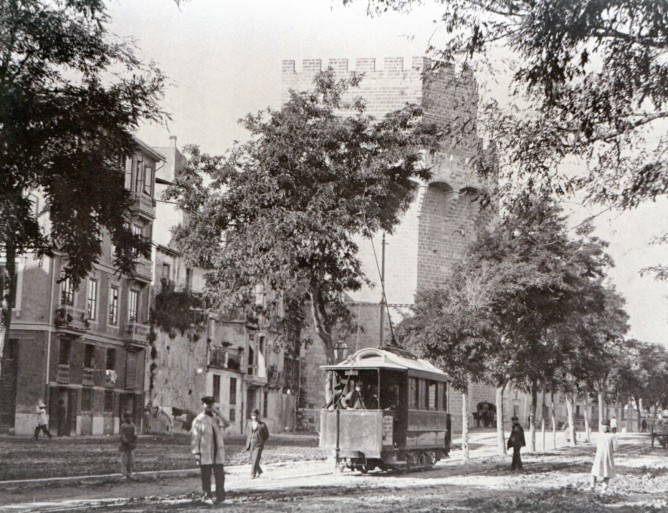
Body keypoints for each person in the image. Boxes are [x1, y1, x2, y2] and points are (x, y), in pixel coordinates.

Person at [191, 396, 230, 505]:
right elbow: (195, 438)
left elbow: (227, 423)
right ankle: (206, 496)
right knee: (206, 476)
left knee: (220, 476)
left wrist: (218, 413)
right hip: (205, 452)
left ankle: (220, 497)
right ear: (203, 405)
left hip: (217, 452)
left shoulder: (215, 418)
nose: (209, 407)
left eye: (211, 405)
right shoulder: (198, 419)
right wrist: (196, 453)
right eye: (207, 405)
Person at [591, 420, 617, 492]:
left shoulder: (599, 435)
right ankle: (603, 489)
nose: (606, 428)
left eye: (606, 426)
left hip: (599, 455)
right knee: (606, 473)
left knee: (595, 471)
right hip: (607, 456)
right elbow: (615, 448)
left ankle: (593, 487)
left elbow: (597, 446)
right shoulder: (612, 436)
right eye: (605, 426)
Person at [245, 408, 270, 479]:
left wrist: (261, 441)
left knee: (255, 459)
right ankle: (260, 471)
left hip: (258, 445)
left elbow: (267, 435)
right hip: (251, 444)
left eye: (256, 415)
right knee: (252, 459)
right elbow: (248, 434)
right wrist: (248, 444)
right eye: (253, 415)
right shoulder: (249, 424)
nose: (254, 417)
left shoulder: (262, 425)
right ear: (251, 416)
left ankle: (253, 474)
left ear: (258, 416)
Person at [119, 411, 137, 480]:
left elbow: (135, 434)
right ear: (125, 418)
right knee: (124, 460)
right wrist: (126, 441)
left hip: (131, 446)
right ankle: (123, 474)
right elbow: (122, 435)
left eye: (130, 417)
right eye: (127, 417)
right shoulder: (123, 426)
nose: (129, 419)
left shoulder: (133, 425)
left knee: (131, 461)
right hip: (124, 446)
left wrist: (135, 438)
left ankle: (130, 474)